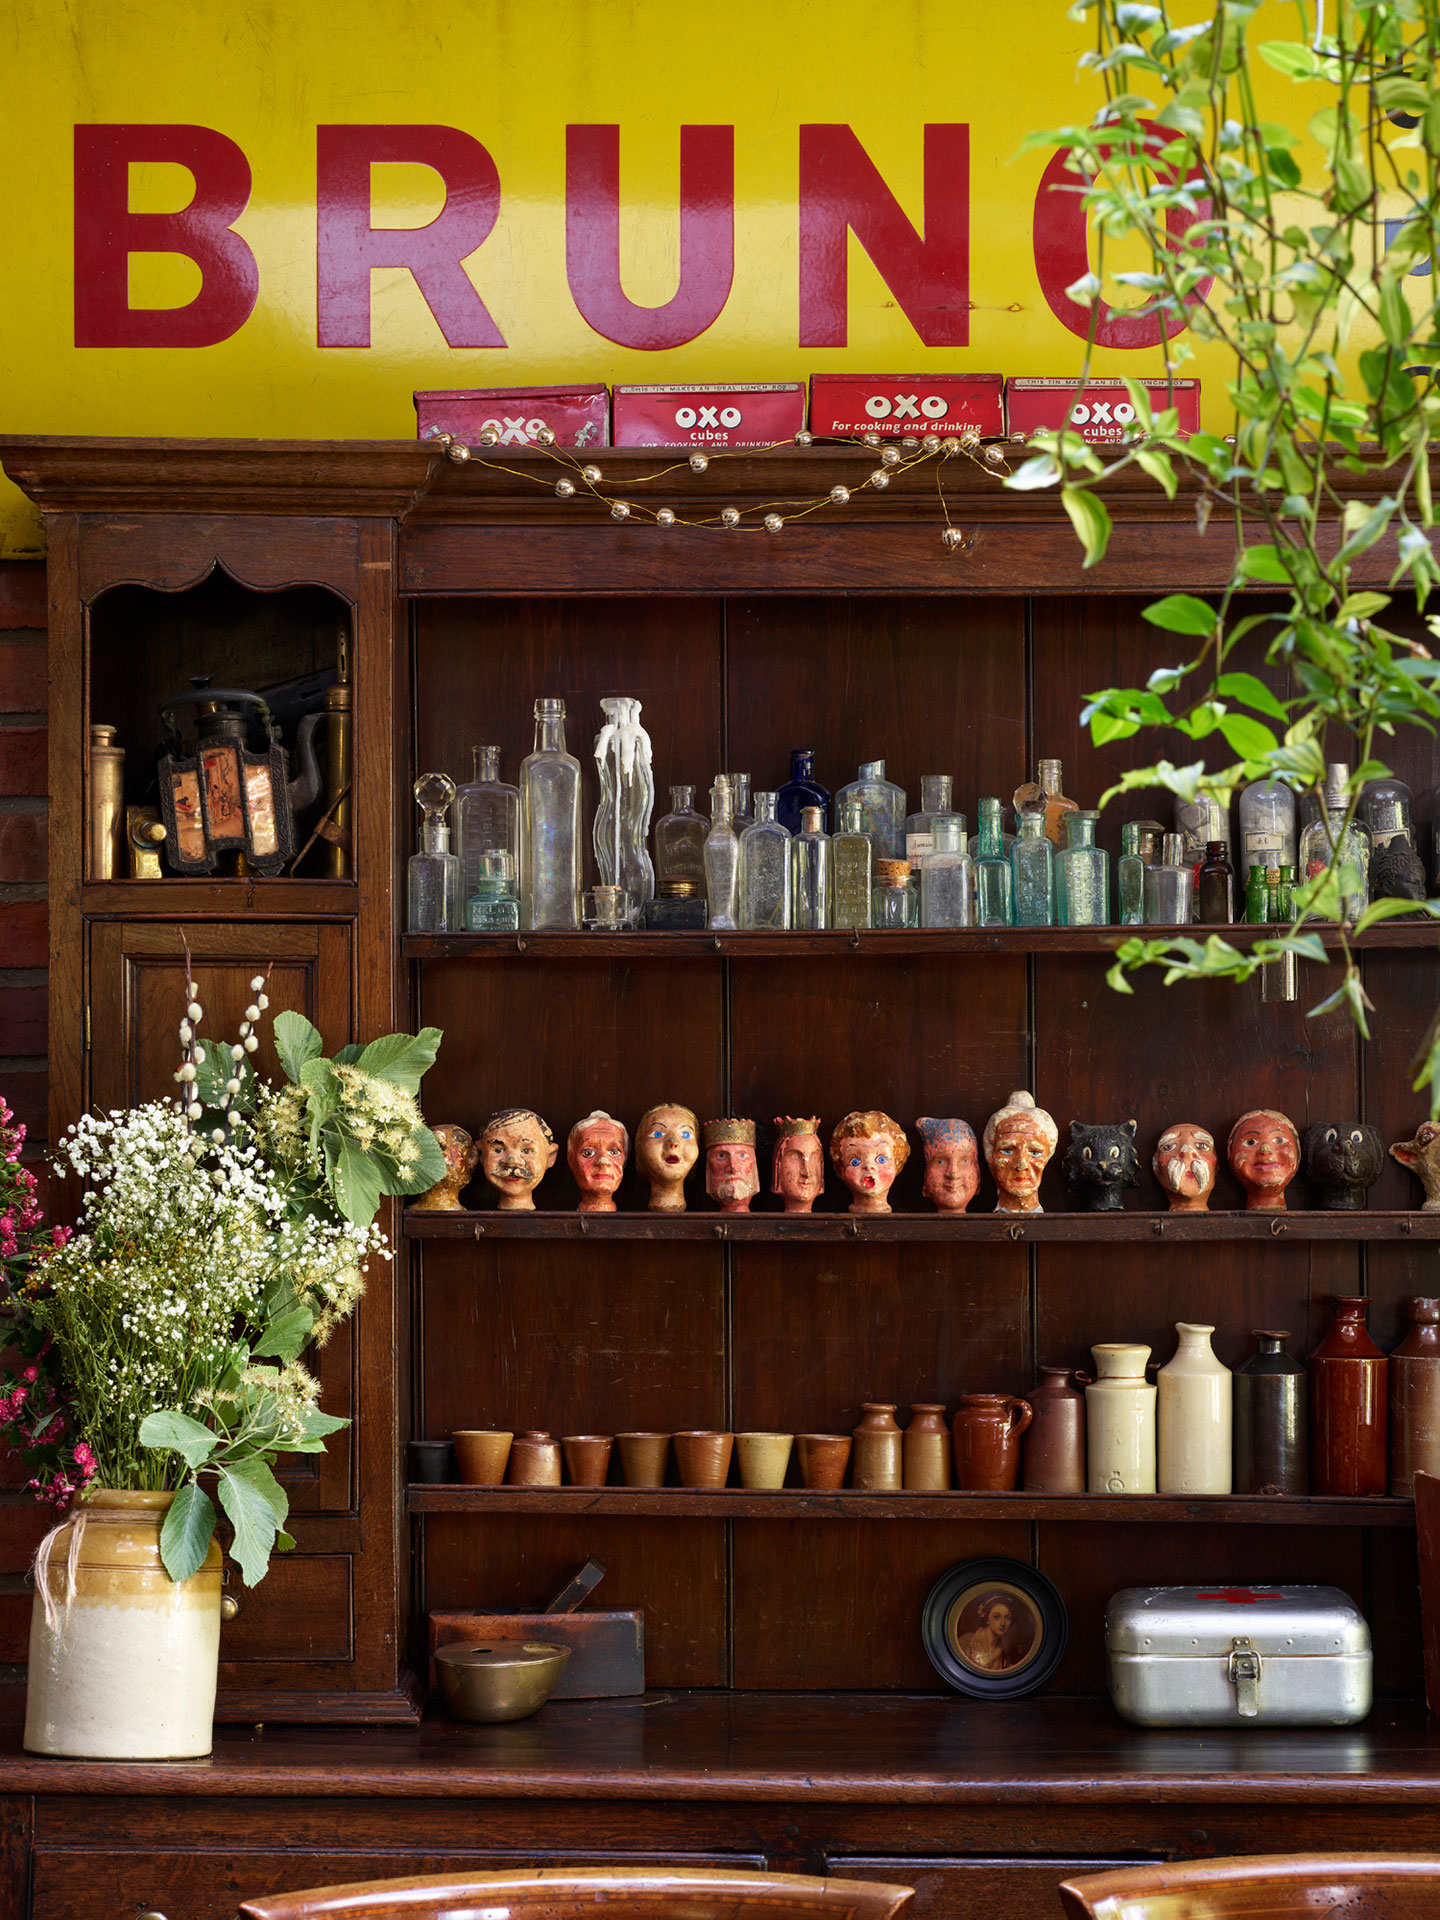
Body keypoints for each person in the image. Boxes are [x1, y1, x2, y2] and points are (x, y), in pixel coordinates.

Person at [956, 1593, 1026, 1671]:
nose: (1003, 1623)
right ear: (986, 1619)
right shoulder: (966, 1642)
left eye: (1007, 1617)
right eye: (996, 1617)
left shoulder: (1004, 1656)